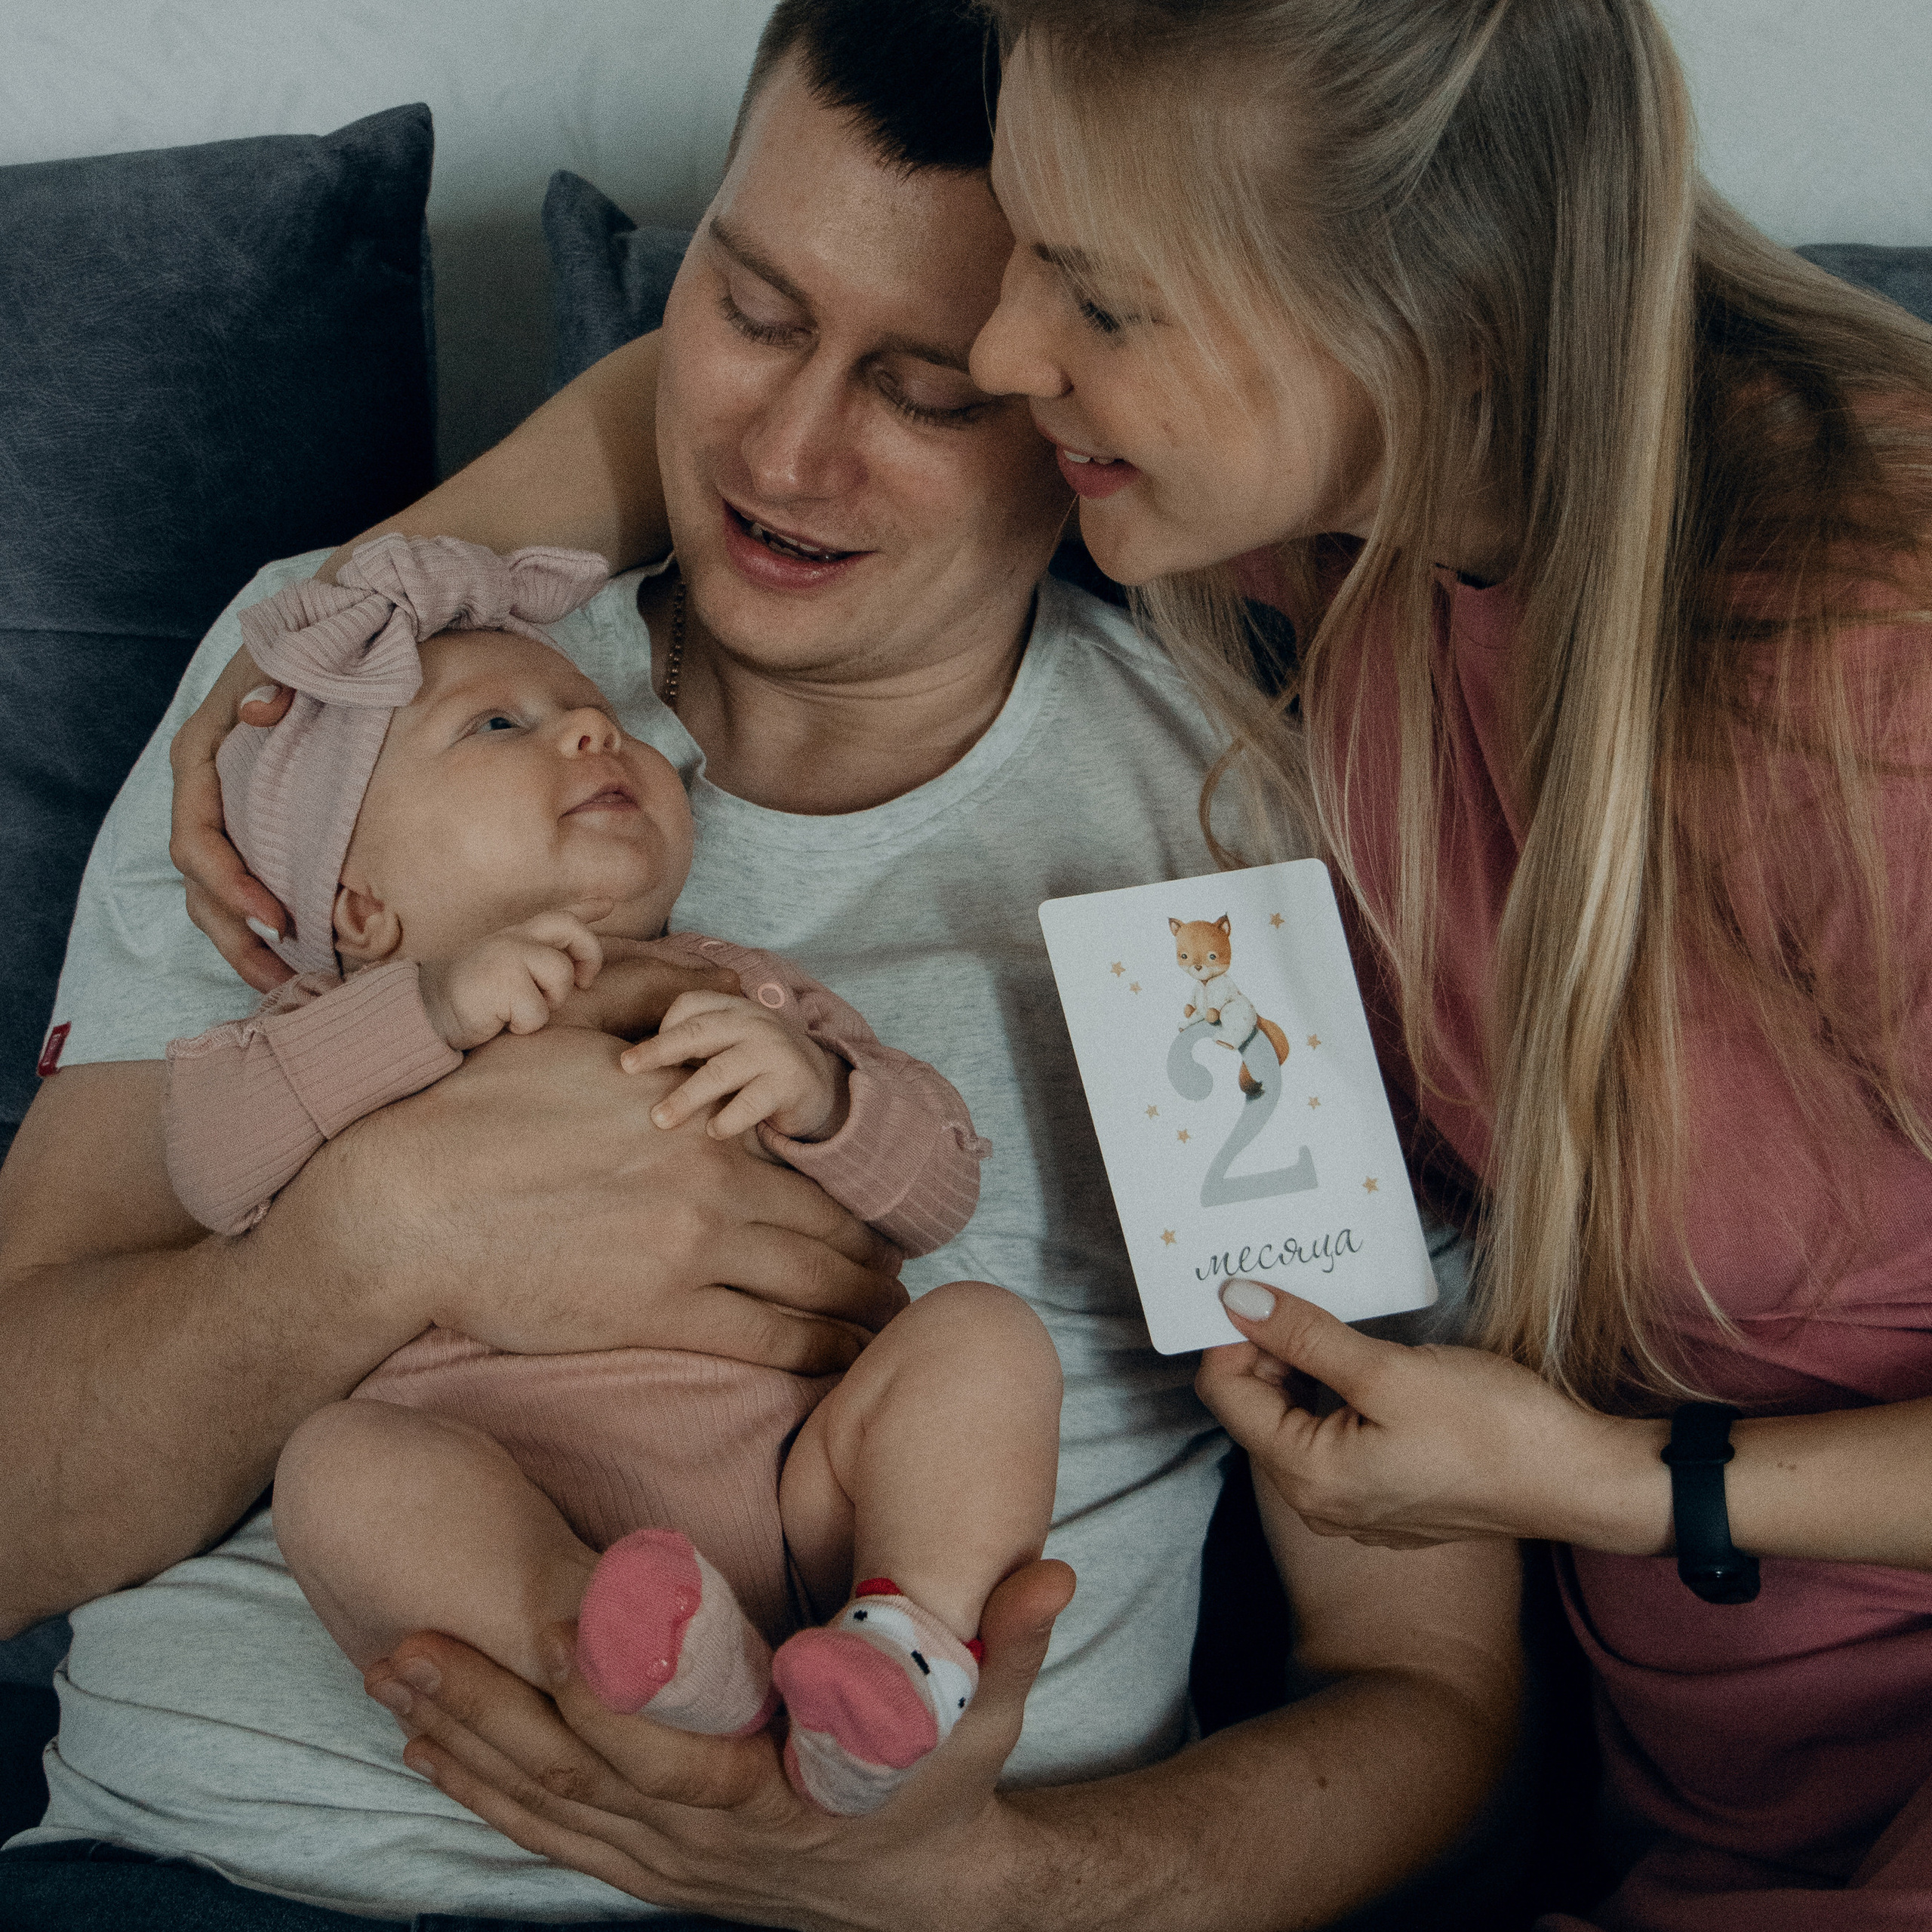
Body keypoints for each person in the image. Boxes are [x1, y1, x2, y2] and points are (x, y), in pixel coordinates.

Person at [0, 2, 1521, 1927]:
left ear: (1086, 410)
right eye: (753, 306)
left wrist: (997, 1879)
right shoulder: (334, 715)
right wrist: (364, 1245)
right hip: (224, 1867)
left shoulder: (1223, 865)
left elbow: (1424, 1679)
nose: (790, 455)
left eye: (930, 388)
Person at [973, 3, 1932, 1929]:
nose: (1000, 352)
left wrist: (1610, 1482)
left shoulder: (1865, 673)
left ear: (1439, 321)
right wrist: (339, 620)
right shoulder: (1362, 523)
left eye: (1100, 299)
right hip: (1691, 1805)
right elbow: (742, 361)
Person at [166, 534, 1055, 1820]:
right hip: (513, 1485)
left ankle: (899, 1640)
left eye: (600, 720)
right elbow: (208, 1164)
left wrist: (823, 1094)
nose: (591, 736)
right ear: (360, 910)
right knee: (338, 1472)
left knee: (984, 1340)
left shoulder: (738, 989)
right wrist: (426, 1011)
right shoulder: (331, 1030)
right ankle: (624, 1650)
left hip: (815, 1487)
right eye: (498, 727)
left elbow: (937, 1196)